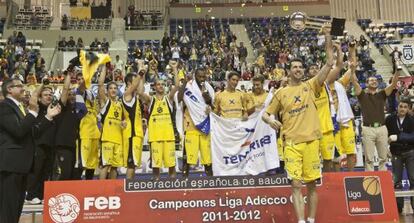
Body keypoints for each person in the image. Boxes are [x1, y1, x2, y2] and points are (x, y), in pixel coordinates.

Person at [262, 25, 333, 223]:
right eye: (295, 67)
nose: (299, 70)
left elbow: (329, 62)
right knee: (295, 184)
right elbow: (265, 114)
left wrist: (327, 36)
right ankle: (301, 221)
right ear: (289, 70)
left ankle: (311, 220)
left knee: (311, 185)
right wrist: (271, 120)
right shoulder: (281, 93)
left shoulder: (311, 85)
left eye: (301, 67)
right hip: (292, 144)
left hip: (312, 142)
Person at [0, 78, 61, 223]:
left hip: (21, 166)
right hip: (11, 165)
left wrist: (48, 117)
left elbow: (32, 132)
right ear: (9, 89)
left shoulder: (19, 108)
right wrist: (33, 112)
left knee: (15, 208)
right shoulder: (4, 107)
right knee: (8, 208)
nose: (23, 88)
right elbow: (19, 131)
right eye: (19, 86)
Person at [138, 60, 180, 180]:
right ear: (155, 87)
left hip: (168, 137)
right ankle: (156, 190)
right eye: (158, 84)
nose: (161, 86)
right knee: (156, 168)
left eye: (162, 84)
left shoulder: (169, 99)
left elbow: (177, 86)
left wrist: (175, 69)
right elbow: (140, 92)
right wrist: (142, 74)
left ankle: (173, 190)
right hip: (155, 137)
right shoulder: (151, 100)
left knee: (172, 167)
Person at [353, 69, 399, 171]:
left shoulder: (382, 94)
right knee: (369, 159)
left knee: (383, 157)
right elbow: (354, 81)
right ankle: (370, 179)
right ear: (366, 84)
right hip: (367, 129)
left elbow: (394, 83)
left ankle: (382, 179)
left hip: (382, 128)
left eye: (375, 80)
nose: (374, 81)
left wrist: (397, 70)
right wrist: (352, 70)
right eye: (371, 80)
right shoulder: (362, 95)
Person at [178, 67, 214, 177]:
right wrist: (184, 83)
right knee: (188, 156)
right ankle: (185, 180)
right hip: (191, 125)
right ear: (195, 76)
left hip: (204, 124)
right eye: (200, 76)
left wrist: (205, 93)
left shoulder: (208, 87)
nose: (202, 79)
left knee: (207, 157)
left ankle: (210, 180)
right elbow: (179, 98)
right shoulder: (188, 86)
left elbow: (211, 103)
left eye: (204, 77)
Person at [25, 85, 57, 204]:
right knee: (36, 171)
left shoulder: (54, 108)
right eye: (45, 95)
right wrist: (42, 85)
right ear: (39, 98)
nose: (49, 96)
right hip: (38, 144)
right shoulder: (36, 108)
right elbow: (33, 97)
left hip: (50, 145)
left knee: (46, 172)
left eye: (50, 94)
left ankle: (42, 195)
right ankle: (30, 195)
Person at [386, 99, 414, 213]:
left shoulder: (412, 120)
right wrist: (386, 147)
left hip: (410, 152)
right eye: (401, 106)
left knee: (413, 179)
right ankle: (397, 208)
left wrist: (398, 137)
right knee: (396, 181)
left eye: (405, 107)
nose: (402, 109)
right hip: (395, 153)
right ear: (397, 107)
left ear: (408, 109)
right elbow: (384, 134)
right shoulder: (389, 119)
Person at [98, 66, 126, 179]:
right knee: (106, 165)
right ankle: (101, 191)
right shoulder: (105, 101)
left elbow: (123, 119)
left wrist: (123, 122)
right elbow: (100, 84)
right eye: (111, 88)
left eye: (115, 88)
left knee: (115, 167)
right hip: (107, 139)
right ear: (107, 90)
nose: (113, 90)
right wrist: (104, 67)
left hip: (118, 140)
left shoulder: (120, 104)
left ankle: (112, 191)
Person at [122, 69, 145, 179]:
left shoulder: (135, 97)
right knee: (131, 165)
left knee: (134, 164)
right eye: (135, 80)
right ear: (129, 84)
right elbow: (136, 85)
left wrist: (142, 72)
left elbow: (140, 90)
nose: (138, 81)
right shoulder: (127, 95)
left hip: (137, 134)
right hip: (131, 134)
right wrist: (139, 73)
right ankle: (128, 188)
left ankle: (131, 187)